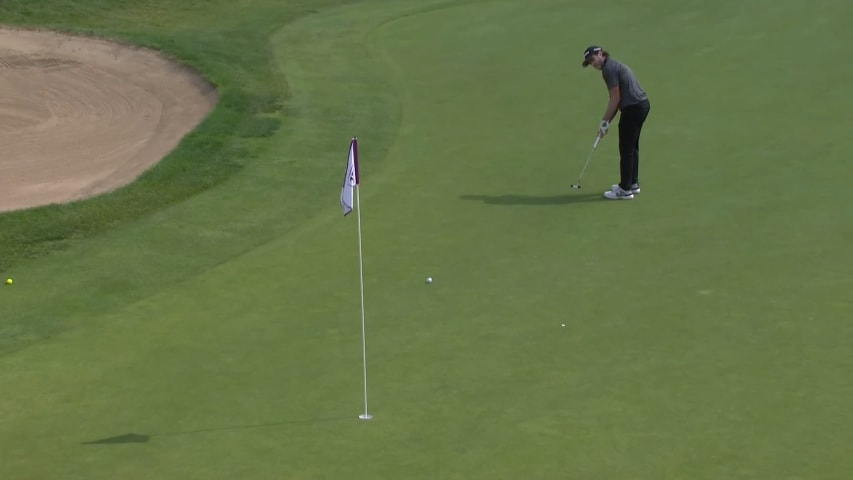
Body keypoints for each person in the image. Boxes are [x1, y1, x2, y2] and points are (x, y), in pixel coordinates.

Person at [582, 46, 650, 200]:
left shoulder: (608, 69)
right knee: (632, 146)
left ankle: (625, 189)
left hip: (633, 108)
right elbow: (616, 98)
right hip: (641, 105)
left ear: (601, 54)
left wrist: (604, 122)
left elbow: (615, 98)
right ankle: (633, 183)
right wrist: (606, 123)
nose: (593, 64)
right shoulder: (613, 65)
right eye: (590, 63)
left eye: (593, 60)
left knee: (626, 147)